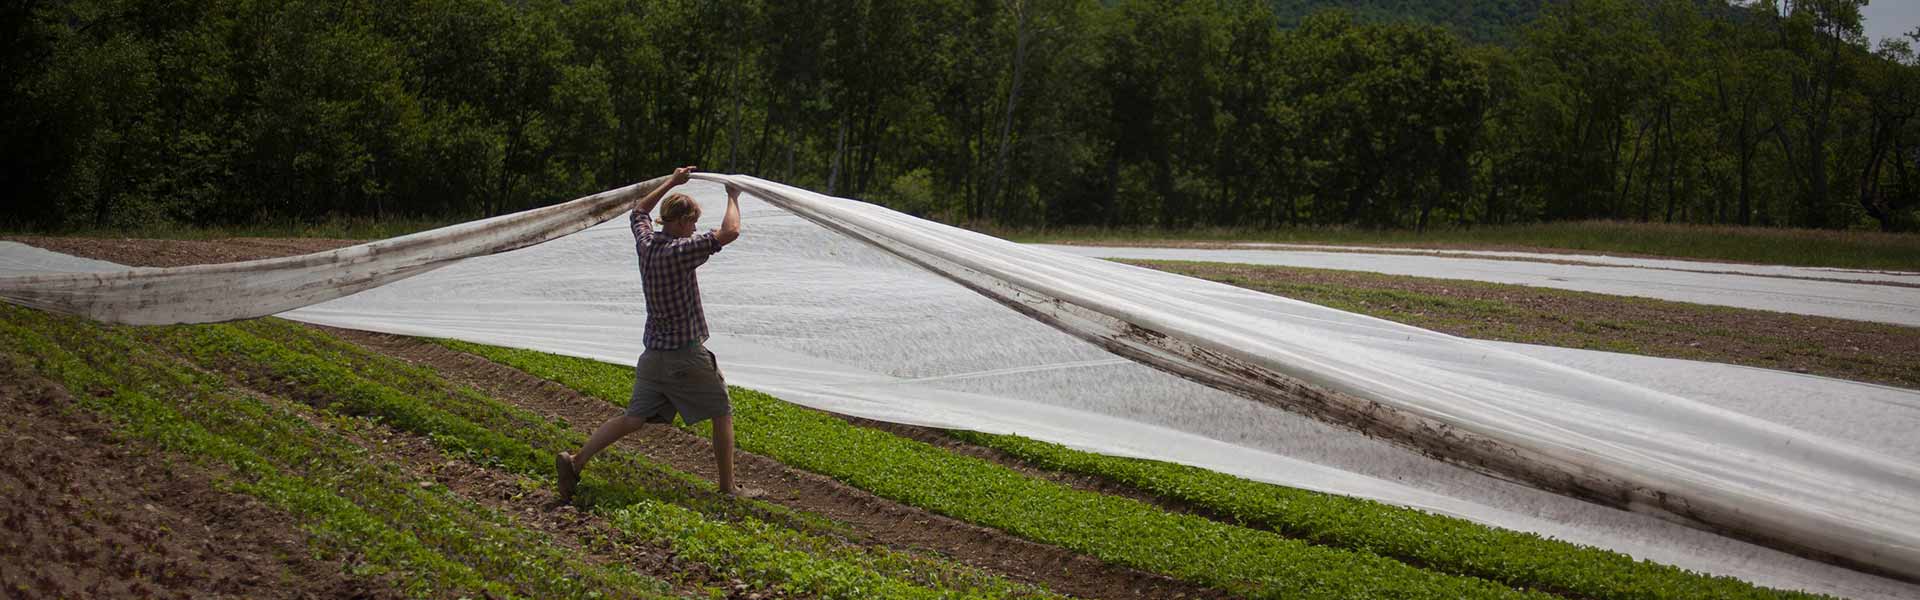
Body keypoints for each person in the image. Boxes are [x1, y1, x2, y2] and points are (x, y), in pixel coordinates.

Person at [556, 166, 764, 502]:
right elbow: (731, 231)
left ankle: (576, 461)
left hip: (652, 355)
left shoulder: (648, 243)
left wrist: (672, 180)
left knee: (632, 418)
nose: (695, 228)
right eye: (692, 222)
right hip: (685, 355)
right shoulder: (680, 251)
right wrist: (732, 195)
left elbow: (639, 211)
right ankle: (728, 488)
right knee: (721, 410)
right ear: (681, 222)